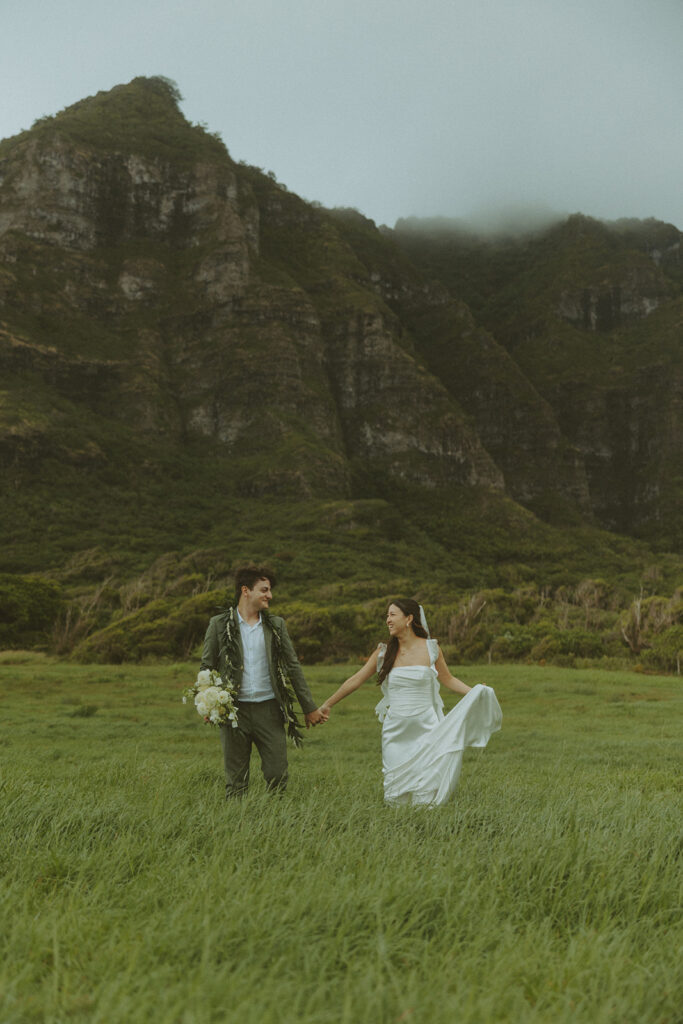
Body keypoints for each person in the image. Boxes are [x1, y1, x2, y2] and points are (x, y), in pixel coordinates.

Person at [320, 598, 502, 805]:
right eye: (387, 615)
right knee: (395, 793)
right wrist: (328, 704)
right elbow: (355, 680)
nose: (387, 620)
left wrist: (475, 691)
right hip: (395, 729)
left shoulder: (431, 649)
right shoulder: (383, 652)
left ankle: (426, 822)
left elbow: (448, 679)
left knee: (426, 786)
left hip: (427, 726)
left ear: (409, 618)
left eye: (392, 615)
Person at [200, 565, 327, 797]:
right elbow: (207, 666)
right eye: (264, 590)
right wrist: (209, 705)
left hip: (269, 710)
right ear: (246, 590)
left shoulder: (276, 625)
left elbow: (293, 667)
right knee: (236, 780)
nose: (270, 595)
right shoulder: (218, 624)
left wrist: (309, 708)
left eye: (269, 590)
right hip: (233, 711)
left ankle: (275, 823)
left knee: (277, 774)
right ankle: (237, 826)